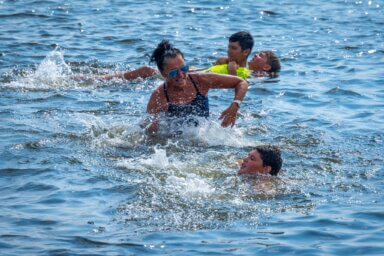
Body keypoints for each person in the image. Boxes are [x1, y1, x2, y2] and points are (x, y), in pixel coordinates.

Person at [145, 40, 248, 135]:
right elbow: (150, 132)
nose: (181, 75)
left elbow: (241, 82)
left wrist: (235, 106)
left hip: (204, 134)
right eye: (174, 72)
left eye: (184, 68)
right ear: (163, 73)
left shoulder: (200, 81)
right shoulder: (159, 96)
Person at [214, 31, 281, 77]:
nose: (228, 51)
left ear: (246, 52)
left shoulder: (259, 75)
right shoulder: (225, 62)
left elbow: (239, 87)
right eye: (229, 47)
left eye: (233, 48)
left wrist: (232, 72)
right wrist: (217, 64)